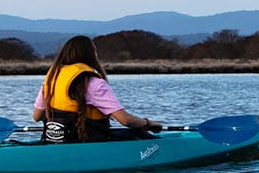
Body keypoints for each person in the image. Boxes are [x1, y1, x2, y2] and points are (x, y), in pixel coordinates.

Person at [33, 35, 163, 143]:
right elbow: (126, 120)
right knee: (139, 132)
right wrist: (148, 123)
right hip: (89, 142)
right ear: (91, 55)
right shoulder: (92, 82)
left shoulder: (52, 78)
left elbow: (37, 116)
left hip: (56, 141)